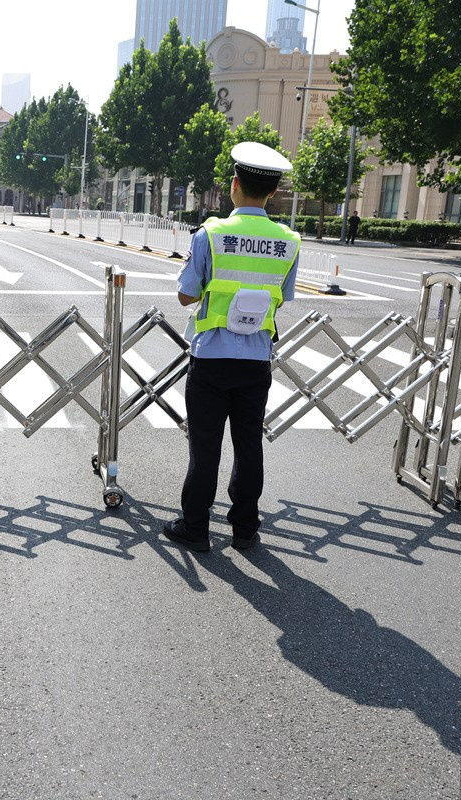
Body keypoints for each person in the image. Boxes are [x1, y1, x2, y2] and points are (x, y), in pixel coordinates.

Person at [164, 142, 300, 553]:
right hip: (257, 358)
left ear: (234, 185)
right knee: (248, 443)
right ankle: (244, 528)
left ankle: (196, 528)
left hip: (211, 358)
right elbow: (285, 295)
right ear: (273, 193)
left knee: (205, 446)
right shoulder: (289, 241)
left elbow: (186, 296)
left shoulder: (212, 234)